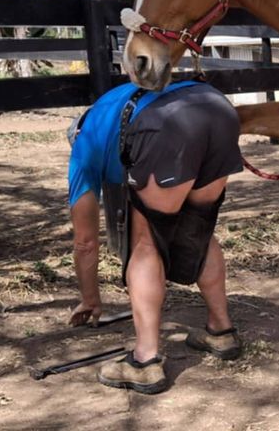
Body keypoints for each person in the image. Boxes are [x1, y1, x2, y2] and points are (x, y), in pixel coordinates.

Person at [68, 79, 244, 394]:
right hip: (218, 107)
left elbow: (85, 242)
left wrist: (90, 299)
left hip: (165, 125)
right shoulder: (111, 106)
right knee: (200, 227)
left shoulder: (84, 147)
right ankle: (220, 331)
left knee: (146, 242)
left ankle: (145, 361)